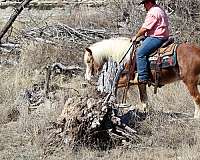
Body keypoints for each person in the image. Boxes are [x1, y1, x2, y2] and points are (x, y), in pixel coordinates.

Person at [132, 0, 170, 84]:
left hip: (156, 38)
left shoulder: (152, 12)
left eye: (144, 4)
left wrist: (136, 36)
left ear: (149, 2)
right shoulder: (159, 9)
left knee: (140, 53)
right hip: (164, 36)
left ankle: (143, 77)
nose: (144, 6)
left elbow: (145, 28)